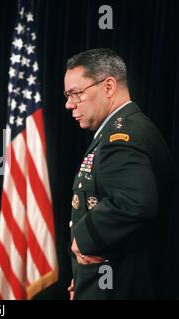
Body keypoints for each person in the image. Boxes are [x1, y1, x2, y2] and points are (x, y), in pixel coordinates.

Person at [64, 48, 174, 299]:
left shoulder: (121, 137)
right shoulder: (119, 130)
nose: (69, 104)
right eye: (68, 95)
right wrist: (83, 280)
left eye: (76, 93)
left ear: (109, 86)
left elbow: (134, 202)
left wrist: (81, 239)